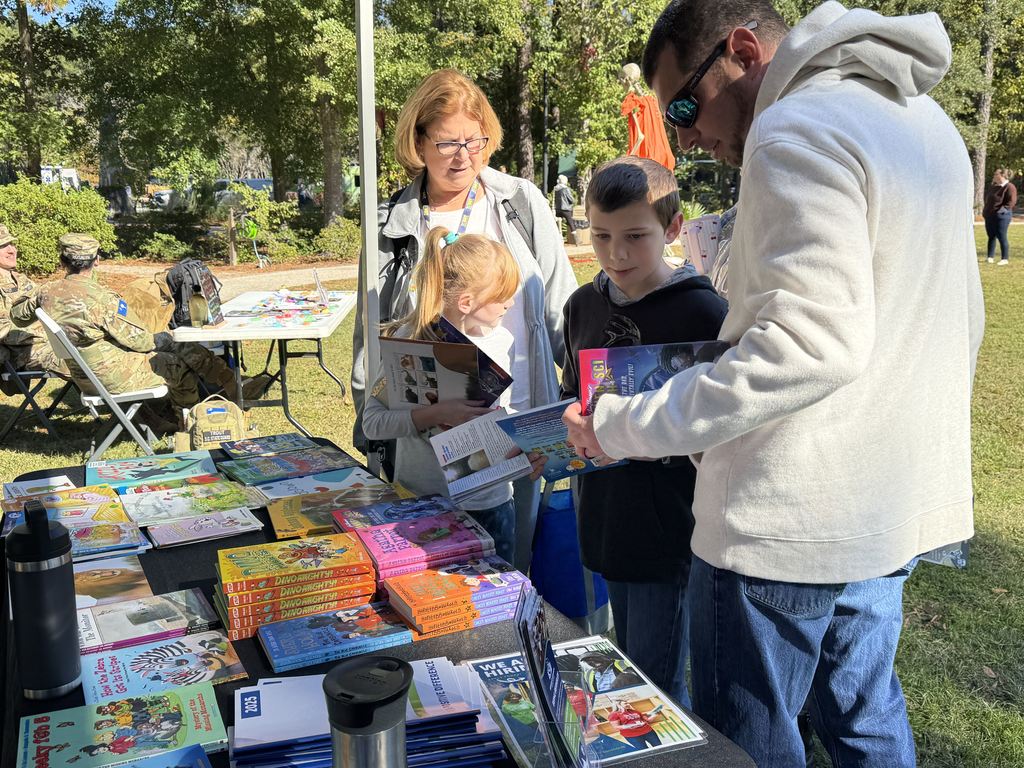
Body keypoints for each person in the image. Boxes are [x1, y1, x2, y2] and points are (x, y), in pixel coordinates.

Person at [562, 3, 984, 766]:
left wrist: (621, 424)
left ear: (744, 51)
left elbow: (805, 345)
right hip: (884, 503)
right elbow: (956, 318)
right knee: (865, 723)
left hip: (784, 522)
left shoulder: (793, 130)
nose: (685, 136)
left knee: (748, 748)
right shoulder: (922, 123)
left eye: (684, 106)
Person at [351, 69, 577, 572]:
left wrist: (557, 429)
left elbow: (562, 311)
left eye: (474, 141)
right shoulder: (394, 224)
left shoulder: (520, 203)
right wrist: (378, 435)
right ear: (418, 140)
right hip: (426, 452)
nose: (463, 156)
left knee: (513, 570)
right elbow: (372, 336)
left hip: (518, 429)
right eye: (448, 141)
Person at [560, 157, 726, 707]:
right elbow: (572, 399)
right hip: (603, 515)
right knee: (623, 659)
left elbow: (721, 423)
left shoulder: (705, 312)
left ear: (673, 228)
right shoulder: (583, 305)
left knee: (653, 685)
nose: (617, 254)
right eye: (601, 236)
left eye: (636, 236)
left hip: (668, 527)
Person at [361, 228, 525, 563]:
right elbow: (372, 423)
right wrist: (436, 414)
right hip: (424, 504)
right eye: (503, 295)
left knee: (496, 604)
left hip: (490, 503)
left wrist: (524, 443)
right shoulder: (409, 344)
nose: (511, 303)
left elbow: (510, 416)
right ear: (467, 302)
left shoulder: (501, 341)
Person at [10, 234, 264, 424]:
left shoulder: (46, 292)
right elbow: (141, 342)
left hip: (84, 376)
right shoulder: (103, 299)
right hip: (112, 376)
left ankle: (229, 385)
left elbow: (18, 316)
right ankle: (189, 424)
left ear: (62, 261)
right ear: (96, 261)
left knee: (175, 347)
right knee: (178, 361)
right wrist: (167, 337)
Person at [0, 224, 68, 392]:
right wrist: (44, 334)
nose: (12, 250)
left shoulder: (21, 280)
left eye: (12, 244)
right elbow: (3, 330)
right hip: (25, 352)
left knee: (100, 351)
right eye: (3, 246)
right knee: (85, 364)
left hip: (52, 342)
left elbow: (48, 303)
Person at [983, 168, 1017, 264]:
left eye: (995, 174)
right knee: (991, 236)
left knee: (1001, 236)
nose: (994, 176)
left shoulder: (1009, 187)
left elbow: (1011, 202)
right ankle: (990, 257)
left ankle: (1004, 258)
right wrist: (985, 212)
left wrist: (1000, 212)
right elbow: (987, 199)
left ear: (1001, 175)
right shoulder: (993, 187)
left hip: (1002, 216)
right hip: (989, 215)